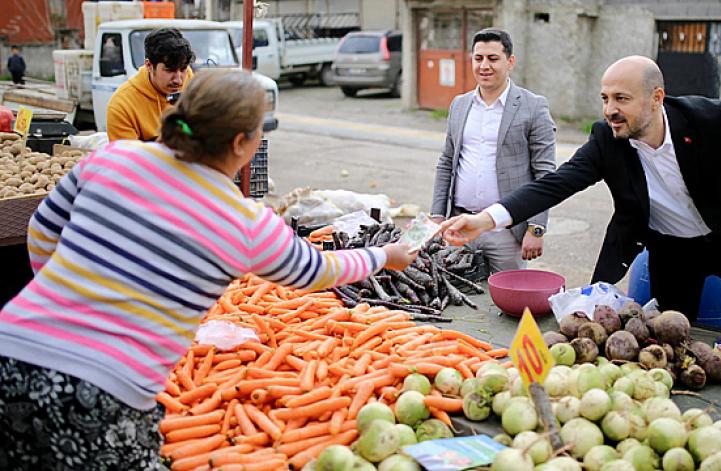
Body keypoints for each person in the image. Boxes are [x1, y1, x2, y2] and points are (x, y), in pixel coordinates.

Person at [0, 69, 417, 469]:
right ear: (241, 142)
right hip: (100, 390)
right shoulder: (243, 221)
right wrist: (386, 256)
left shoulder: (114, 156)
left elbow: (41, 228)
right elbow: (316, 271)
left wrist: (57, 295)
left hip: (10, 349)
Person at [442, 55, 721, 338]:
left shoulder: (711, 120)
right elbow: (556, 184)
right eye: (605, 98)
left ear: (656, 98)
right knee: (673, 338)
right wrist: (485, 219)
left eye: (621, 99)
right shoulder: (607, 140)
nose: (610, 110)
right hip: (674, 253)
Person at [429, 29, 556, 274]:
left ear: (510, 61)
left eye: (493, 58)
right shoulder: (460, 104)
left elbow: (546, 173)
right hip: (459, 225)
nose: (484, 66)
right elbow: (447, 162)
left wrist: (536, 227)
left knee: (510, 303)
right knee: (458, 298)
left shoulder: (533, 106)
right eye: (478, 59)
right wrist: (437, 215)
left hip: (507, 232)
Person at [107, 28, 195, 142]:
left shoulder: (191, 83)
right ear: (149, 65)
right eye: (169, 70)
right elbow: (127, 158)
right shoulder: (122, 106)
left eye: (183, 69)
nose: (178, 80)